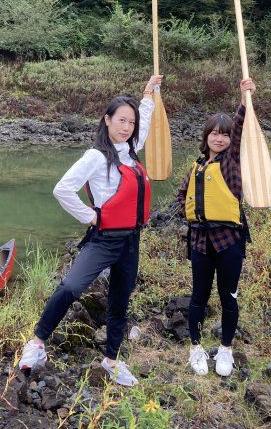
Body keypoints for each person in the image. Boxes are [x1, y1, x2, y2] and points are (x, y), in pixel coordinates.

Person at [17, 74, 164, 387]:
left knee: (119, 302)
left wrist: (148, 94)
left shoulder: (132, 148)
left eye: (131, 122)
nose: (127, 127)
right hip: (104, 239)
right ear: (107, 120)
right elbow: (63, 189)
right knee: (71, 286)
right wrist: (90, 216)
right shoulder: (96, 156)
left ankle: (111, 360)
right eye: (121, 120)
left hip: (131, 241)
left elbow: (147, 123)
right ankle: (38, 343)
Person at [174, 78, 256, 377]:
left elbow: (242, 125)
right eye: (215, 134)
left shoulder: (231, 161)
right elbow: (182, 194)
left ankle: (225, 349)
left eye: (225, 135)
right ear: (206, 136)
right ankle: (195, 347)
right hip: (199, 241)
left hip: (229, 240)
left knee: (228, 296)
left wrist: (245, 98)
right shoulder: (197, 165)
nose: (219, 139)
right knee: (198, 295)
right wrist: (190, 213)